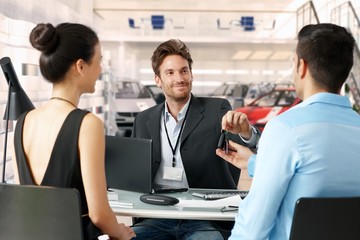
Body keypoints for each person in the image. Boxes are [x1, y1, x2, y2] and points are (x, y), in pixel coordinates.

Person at [216, 23, 360, 239]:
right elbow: (315, 173)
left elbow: (253, 227)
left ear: (301, 66)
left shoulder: (285, 128)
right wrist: (256, 163)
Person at [12, 23, 136, 240]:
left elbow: (23, 199)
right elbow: (99, 214)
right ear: (80, 66)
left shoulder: (22, 122)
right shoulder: (87, 124)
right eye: (99, 61)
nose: (101, 69)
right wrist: (122, 233)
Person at [130, 39, 260, 239]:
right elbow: (134, 175)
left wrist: (246, 132)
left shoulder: (217, 109)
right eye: (170, 73)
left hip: (205, 217)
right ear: (158, 80)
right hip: (156, 214)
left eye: (184, 71)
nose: (180, 78)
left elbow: (244, 147)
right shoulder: (143, 119)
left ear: (191, 74)